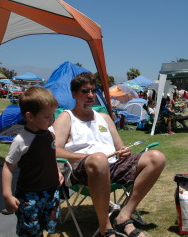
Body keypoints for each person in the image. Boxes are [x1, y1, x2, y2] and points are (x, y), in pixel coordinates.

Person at [53, 72, 165, 237]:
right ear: (74, 94)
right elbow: (54, 149)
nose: (90, 95)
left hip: (112, 166)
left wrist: (124, 150)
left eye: (93, 90)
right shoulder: (66, 117)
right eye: (85, 91)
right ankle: (105, 228)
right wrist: (86, 157)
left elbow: (120, 147)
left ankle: (124, 216)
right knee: (98, 159)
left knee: (157, 157)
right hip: (81, 170)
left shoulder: (104, 117)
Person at [2, 87, 64, 237]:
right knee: (30, 229)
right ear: (30, 116)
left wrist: (57, 171)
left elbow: (51, 155)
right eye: (47, 116)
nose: (52, 120)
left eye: (53, 115)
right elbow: (8, 167)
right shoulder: (21, 141)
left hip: (50, 191)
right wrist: (7, 195)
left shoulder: (50, 133)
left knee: (45, 224)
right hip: (30, 194)